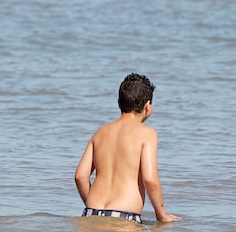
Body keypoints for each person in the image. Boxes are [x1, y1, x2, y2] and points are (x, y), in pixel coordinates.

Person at [74, 73, 180, 224]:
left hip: (91, 212)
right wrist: (161, 214)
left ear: (119, 103)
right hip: (125, 216)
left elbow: (80, 176)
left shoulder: (101, 132)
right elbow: (149, 179)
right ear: (147, 106)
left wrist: (93, 210)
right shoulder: (147, 134)